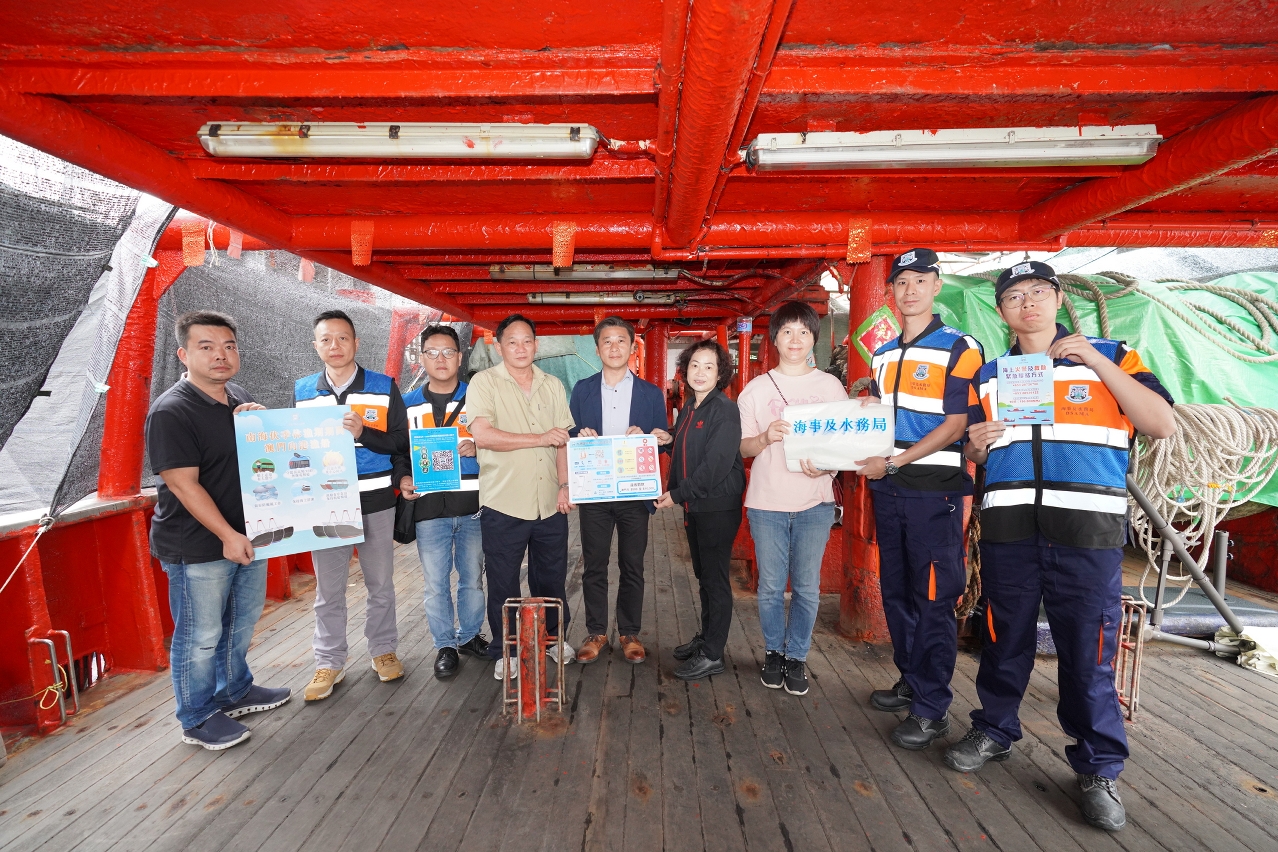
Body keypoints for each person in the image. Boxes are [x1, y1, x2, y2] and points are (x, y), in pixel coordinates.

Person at [947, 261, 1175, 832]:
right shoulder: (992, 376)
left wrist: (1095, 361)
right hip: (1010, 529)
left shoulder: (1113, 356)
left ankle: (1098, 768)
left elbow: (1160, 423)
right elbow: (976, 451)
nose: (1027, 304)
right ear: (1002, 311)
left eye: (1037, 292)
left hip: (1088, 531)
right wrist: (977, 445)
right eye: (1014, 297)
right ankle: (994, 728)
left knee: (1088, 651)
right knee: (1003, 637)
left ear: (1057, 298)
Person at [856, 248, 985, 751]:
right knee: (898, 592)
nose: (910, 290)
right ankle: (912, 681)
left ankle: (932, 709)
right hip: (889, 489)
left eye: (920, 280)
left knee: (933, 598)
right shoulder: (883, 355)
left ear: (937, 286)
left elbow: (956, 425)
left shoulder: (960, 347)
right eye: (901, 282)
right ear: (891, 290)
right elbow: (879, 420)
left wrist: (895, 462)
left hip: (934, 491)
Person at [146, 311, 291, 750]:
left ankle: (235, 690)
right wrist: (228, 535)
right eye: (206, 347)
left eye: (228, 346)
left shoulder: (238, 397)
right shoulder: (172, 411)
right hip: (198, 545)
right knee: (200, 636)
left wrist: (260, 424)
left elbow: (259, 460)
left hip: (250, 534)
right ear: (183, 354)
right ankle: (196, 716)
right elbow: (182, 485)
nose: (220, 355)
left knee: (241, 622)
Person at [294, 310, 409, 701]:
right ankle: (329, 661)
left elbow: (401, 442)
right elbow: (293, 446)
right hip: (325, 502)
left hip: (376, 498)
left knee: (381, 583)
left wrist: (365, 433)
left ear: (356, 343)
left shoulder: (382, 386)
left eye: (343, 338)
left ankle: (383, 649)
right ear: (316, 346)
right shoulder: (302, 391)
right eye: (326, 339)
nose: (335, 346)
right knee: (329, 591)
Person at [737, 301, 848, 696]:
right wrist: (765, 437)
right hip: (766, 502)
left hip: (815, 503)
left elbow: (845, 442)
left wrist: (828, 466)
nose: (795, 339)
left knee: (806, 587)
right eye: (787, 331)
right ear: (775, 339)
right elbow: (743, 448)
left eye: (803, 331)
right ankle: (774, 652)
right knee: (770, 586)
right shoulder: (756, 389)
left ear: (813, 338)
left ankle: (797, 656)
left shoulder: (830, 387)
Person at [466, 314, 577, 680]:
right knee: (503, 582)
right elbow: (483, 435)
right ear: (498, 347)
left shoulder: (552, 384)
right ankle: (507, 649)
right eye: (511, 341)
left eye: (527, 340)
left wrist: (565, 485)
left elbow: (562, 441)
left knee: (551, 578)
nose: (520, 347)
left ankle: (552, 638)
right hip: (503, 502)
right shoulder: (484, 383)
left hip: (550, 502)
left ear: (536, 345)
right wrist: (539, 438)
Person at [569, 317, 672, 665]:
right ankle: (596, 632)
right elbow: (569, 435)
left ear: (631, 347)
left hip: (634, 493)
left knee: (632, 565)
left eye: (621, 341)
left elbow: (661, 439)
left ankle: (629, 632)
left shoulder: (650, 393)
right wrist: (579, 436)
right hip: (595, 493)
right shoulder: (581, 389)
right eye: (607, 341)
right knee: (594, 564)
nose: (614, 347)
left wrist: (650, 438)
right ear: (597, 349)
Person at [395, 325, 489, 680]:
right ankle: (445, 645)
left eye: (448, 351)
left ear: (460, 357)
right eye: (432, 352)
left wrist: (478, 447)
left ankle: (469, 636)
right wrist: (402, 478)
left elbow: (498, 442)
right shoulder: (406, 404)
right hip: (429, 507)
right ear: (421, 358)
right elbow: (398, 452)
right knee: (435, 583)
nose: (441, 359)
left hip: (472, 505)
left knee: (472, 578)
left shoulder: (479, 398)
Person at [656, 340, 745, 681]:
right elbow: (687, 450)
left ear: (721, 373)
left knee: (715, 579)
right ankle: (707, 638)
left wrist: (677, 494)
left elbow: (715, 466)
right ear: (685, 370)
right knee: (704, 576)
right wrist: (668, 439)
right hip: (696, 506)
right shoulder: (692, 406)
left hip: (716, 507)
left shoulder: (724, 409)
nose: (700, 372)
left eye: (709, 366)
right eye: (694, 365)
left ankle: (712, 654)